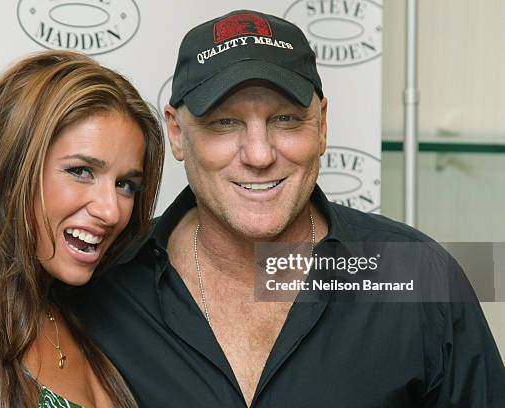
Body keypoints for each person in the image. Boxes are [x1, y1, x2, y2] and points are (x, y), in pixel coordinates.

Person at [75, 9, 505, 407]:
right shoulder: (104, 282)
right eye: (225, 121)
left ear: (322, 124)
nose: (259, 154)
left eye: (286, 119)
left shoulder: (417, 275)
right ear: (177, 132)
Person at [0, 50, 164, 407]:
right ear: (9, 173)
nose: (112, 211)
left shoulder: (79, 317)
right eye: (81, 171)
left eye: (126, 184)